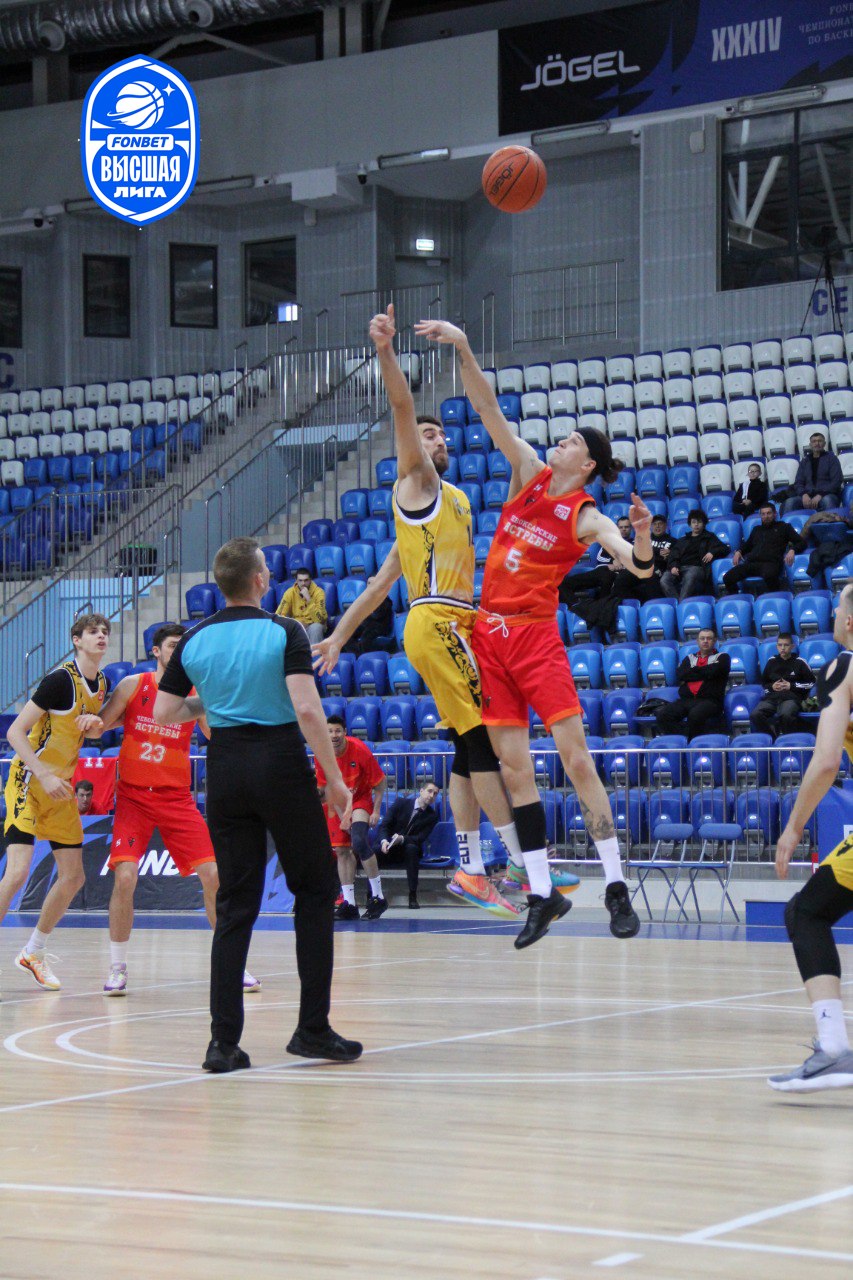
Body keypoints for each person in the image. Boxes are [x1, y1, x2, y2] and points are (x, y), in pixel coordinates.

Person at [317, 303, 577, 927]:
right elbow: (401, 408)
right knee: (482, 741)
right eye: (430, 435)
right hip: (437, 622)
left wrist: (339, 636)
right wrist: (385, 352)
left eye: (441, 437)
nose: (438, 441)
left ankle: (471, 865)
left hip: (460, 623)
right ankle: (514, 863)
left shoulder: (453, 500)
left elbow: (380, 583)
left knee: (468, 745)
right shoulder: (417, 484)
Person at [416, 317, 652, 948]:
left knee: (575, 759)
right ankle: (543, 893)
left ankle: (615, 884)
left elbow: (635, 564)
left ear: (588, 463)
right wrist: (464, 345)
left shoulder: (586, 514)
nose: (560, 442)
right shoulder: (527, 470)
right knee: (514, 770)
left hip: (535, 638)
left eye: (571, 441)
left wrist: (643, 539)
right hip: (489, 638)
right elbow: (486, 407)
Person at [154, 537, 361, 1071]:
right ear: (259, 580)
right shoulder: (285, 630)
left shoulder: (194, 637)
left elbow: (165, 711)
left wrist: (213, 701)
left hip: (224, 768)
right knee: (315, 890)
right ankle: (312, 1029)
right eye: (266, 568)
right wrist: (335, 780)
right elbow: (308, 710)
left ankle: (222, 1043)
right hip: (279, 762)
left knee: (234, 904)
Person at [75, 623, 259, 997]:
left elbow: (217, 734)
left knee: (214, 875)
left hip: (176, 799)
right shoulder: (134, 685)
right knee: (125, 877)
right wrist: (88, 721)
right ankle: (117, 967)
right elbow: (99, 728)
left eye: (183, 646)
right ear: (156, 651)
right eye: (173, 645)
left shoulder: (195, 693)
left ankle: (233, 964)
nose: (179, 651)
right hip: (133, 798)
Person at [769, 583, 853, 1091]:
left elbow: (825, 762)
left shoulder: (842, 667)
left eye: (840, 607)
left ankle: (834, 1048)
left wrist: (794, 826)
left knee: (806, 913)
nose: (836, 615)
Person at [0, 614, 110, 992]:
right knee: (17, 873)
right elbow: (15, 732)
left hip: (60, 787)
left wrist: (96, 726)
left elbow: (84, 730)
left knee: (74, 877)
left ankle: (33, 952)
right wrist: (44, 774)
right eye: (93, 632)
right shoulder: (60, 680)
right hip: (30, 781)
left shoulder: (101, 683)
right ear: (76, 640)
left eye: (105, 632)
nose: (101, 636)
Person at [316, 715, 388, 921]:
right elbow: (326, 790)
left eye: (337, 731)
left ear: (345, 732)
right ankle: (349, 903)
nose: (334, 735)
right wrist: (342, 816)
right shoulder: (322, 754)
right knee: (341, 850)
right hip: (337, 802)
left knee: (359, 842)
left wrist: (376, 811)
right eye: (330, 731)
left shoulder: (359, 749)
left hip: (360, 799)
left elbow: (380, 783)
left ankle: (378, 897)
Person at [655, 627, 730, 739]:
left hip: (711, 701)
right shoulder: (689, 658)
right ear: (698, 641)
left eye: (709, 638)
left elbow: (714, 671)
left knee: (695, 715)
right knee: (663, 715)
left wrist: (692, 672)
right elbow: (681, 675)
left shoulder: (723, 657)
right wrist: (705, 672)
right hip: (687, 700)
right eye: (702, 638)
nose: (705, 641)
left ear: (714, 641)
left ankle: (693, 742)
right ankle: (684, 739)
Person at [377, 782, 441, 908]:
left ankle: (412, 896)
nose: (431, 795)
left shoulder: (432, 816)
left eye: (435, 794)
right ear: (421, 791)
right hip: (389, 845)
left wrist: (402, 839)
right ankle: (372, 895)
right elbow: (384, 825)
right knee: (373, 852)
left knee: (411, 849)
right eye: (429, 791)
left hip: (409, 847)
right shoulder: (401, 803)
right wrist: (384, 841)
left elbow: (420, 838)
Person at [722, 502, 806, 595]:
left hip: (771, 563)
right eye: (763, 514)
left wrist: (792, 550)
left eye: (769, 513)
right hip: (752, 563)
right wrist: (739, 551)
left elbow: (802, 542)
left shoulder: (784, 527)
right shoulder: (756, 529)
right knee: (727, 577)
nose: (766, 516)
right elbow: (747, 546)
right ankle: (737, 597)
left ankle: (775, 597)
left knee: (770, 575)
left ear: (775, 514)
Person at [750, 633, 814, 738]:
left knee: (786, 714)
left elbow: (811, 684)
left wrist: (791, 686)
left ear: (792, 646)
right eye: (780, 645)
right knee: (755, 714)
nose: (783, 648)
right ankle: (772, 739)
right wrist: (772, 686)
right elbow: (764, 683)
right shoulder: (771, 662)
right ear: (777, 646)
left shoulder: (800, 662)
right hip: (772, 698)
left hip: (791, 698)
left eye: (786, 645)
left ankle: (788, 740)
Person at [559, 517, 632, 604]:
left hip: (618, 575)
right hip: (602, 570)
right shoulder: (609, 542)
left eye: (626, 527)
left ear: (631, 528)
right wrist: (611, 564)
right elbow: (600, 559)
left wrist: (621, 565)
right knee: (564, 584)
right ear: (617, 528)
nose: (623, 529)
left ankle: (602, 606)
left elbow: (636, 563)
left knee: (608, 579)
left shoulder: (634, 544)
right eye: (621, 527)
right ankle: (576, 606)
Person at [659, 510, 729, 600]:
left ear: (704, 524)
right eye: (693, 522)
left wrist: (712, 552)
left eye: (699, 522)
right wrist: (673, 566)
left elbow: (725, 548)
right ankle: (678, 603)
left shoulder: (709, 537)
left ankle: (682, 603)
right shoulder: (683, 540)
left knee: (690, 575)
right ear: (690, 524)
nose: (696, 524)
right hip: (680, 567)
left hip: (697, 568)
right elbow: (674, 554)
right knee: (664, 580)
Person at [782, 430, 843, 514]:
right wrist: (804, 494)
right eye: (814, 441)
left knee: (828, 500)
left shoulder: (832, 459)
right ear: (810, 444)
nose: (817, 443)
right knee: (790, 502)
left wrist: (820, 495)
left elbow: (836, 481)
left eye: (820, 441)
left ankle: (829, 522)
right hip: (807, 496)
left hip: (827, 495)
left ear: (824, 444)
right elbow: (798, 482)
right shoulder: (805, 461)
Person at [341, 577, 394, 655]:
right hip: (367, 624)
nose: (370, 585)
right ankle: (355, 654)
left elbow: (377, 615)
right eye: (368, 583)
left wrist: (365, 611)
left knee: (365, 639)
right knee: (347, 634)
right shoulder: (367, 598)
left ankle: (362, 655)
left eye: (372, 583)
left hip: (379, 626)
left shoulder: (384, 599)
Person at [275, 567, 328, 645]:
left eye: (306, 580)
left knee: (316, 627)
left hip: (313, 624)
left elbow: (320, 619)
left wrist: (309, 600)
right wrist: (295, 624)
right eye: (300, 580)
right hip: (297, 625)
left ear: (310, 580)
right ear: (296, 581)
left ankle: (314, 652)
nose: (303, 583)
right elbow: (279, 615)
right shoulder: (289, 593)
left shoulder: (319, 592)